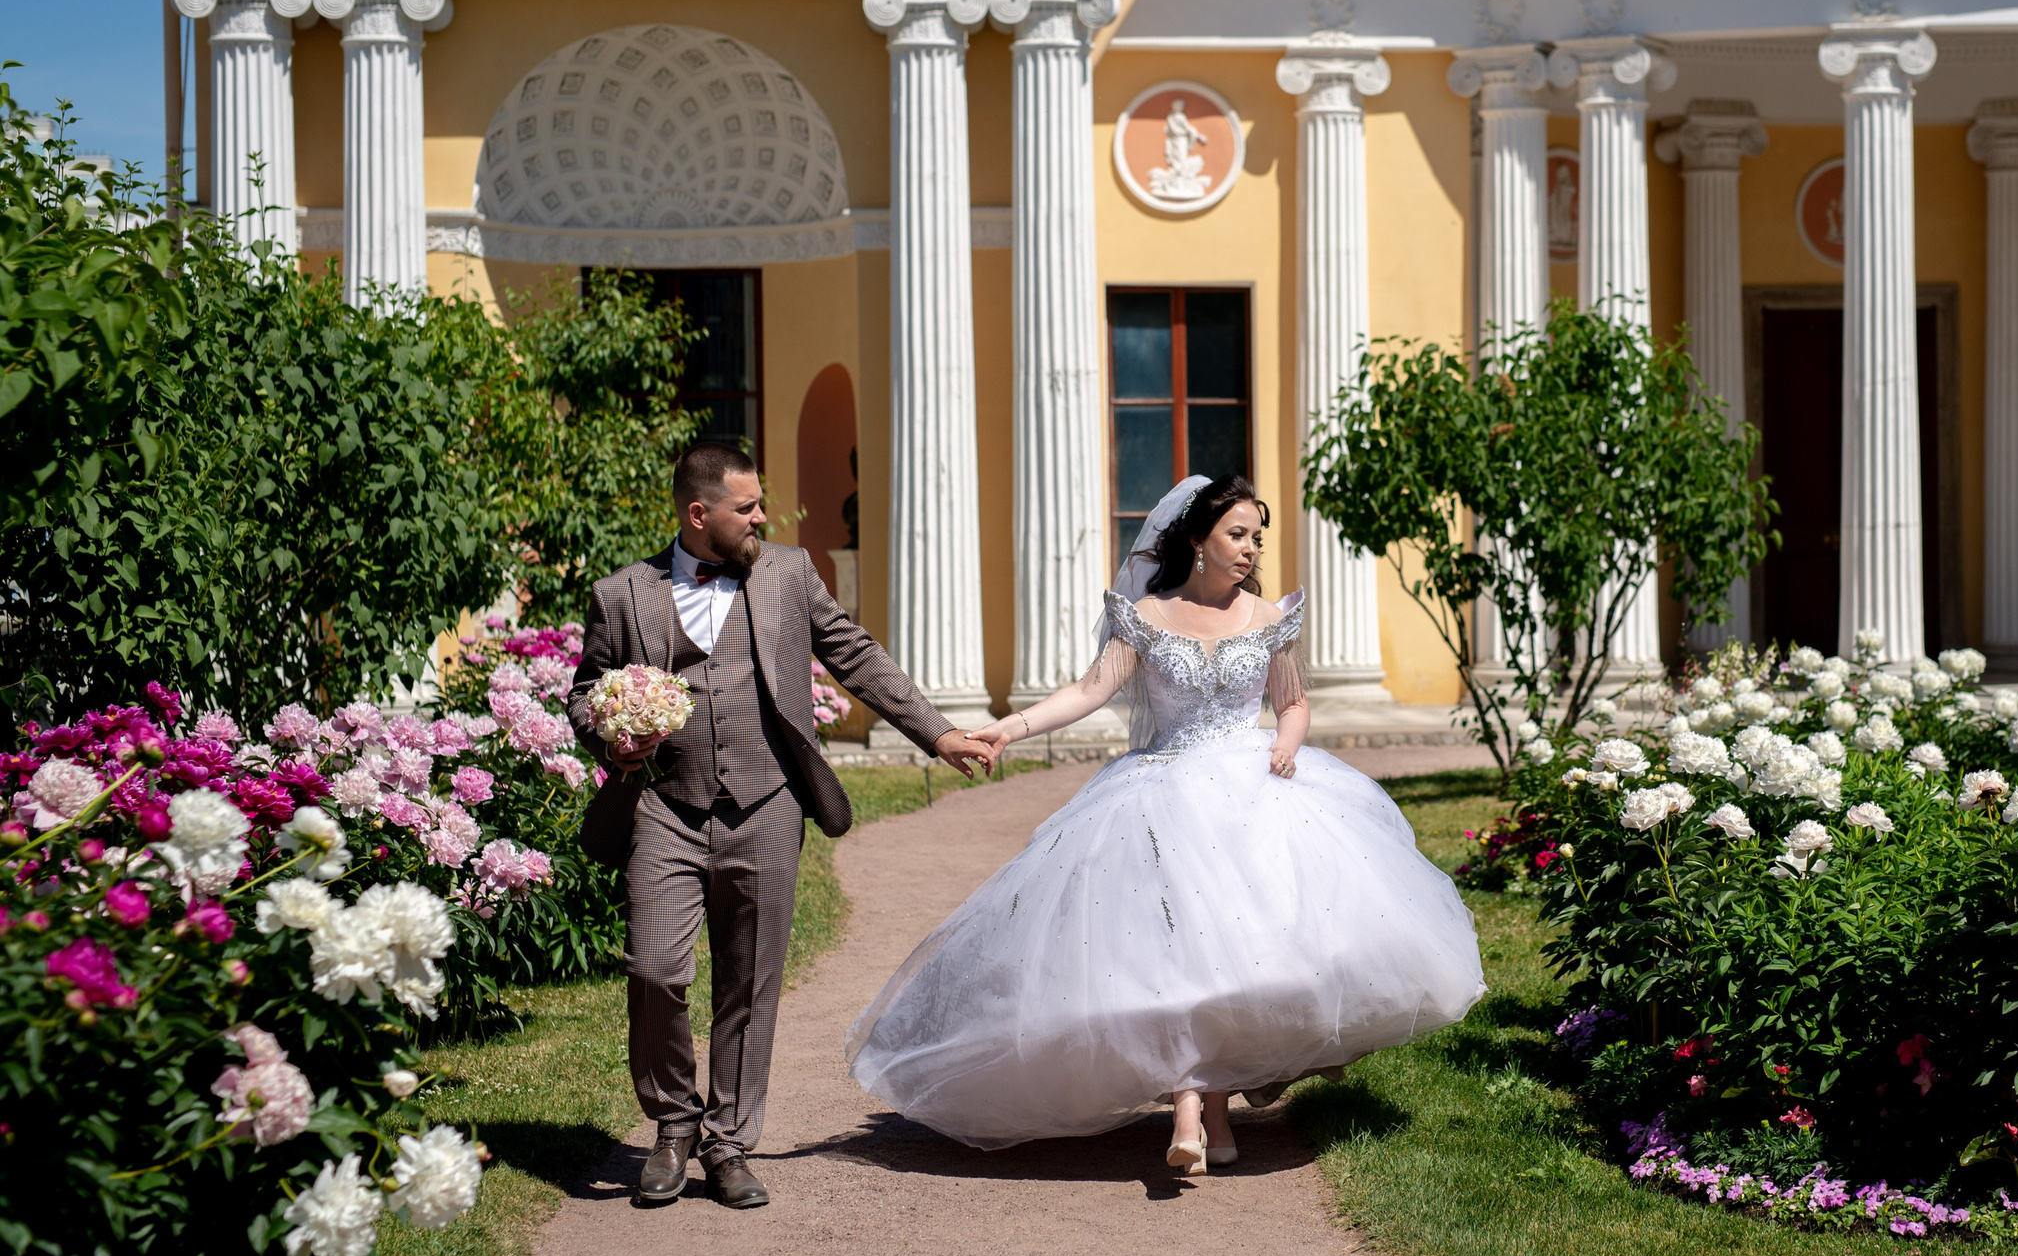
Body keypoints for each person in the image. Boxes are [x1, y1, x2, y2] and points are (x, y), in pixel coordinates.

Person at [845, 475, 1484, 1172]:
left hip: (1252, 790)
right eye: (1237, 534)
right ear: (1195, 540)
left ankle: (1205, 1105)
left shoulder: (1269, 617)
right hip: (1159, 789)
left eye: (1257, 538)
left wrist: (1286, 744)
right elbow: (1090, 690)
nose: (1250, 549)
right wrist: (1009, 727)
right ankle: (1194, 1102)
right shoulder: (1145, 615)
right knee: (1171, 947)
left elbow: (1293, 702)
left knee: (1241, 957)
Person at [568, 441, 993, 1209]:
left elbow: (855, 655)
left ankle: (727, 1143)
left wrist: (937, 731)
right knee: (655, 969)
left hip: (766, 804)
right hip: (664, 804)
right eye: (746, 506)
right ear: (699, 514)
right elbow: (585, 692)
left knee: (750, 979)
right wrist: (611, 737)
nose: (762, 515)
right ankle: (672, 1125)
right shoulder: (622, 593)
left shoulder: (788, 573)